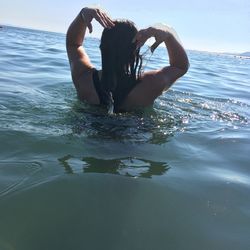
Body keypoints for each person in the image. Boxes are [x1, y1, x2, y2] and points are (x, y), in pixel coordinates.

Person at [66, 7, 189, 113]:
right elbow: (180, 67)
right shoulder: (150, 84)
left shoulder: (83, 78)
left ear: (102, 46)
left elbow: (73, 44)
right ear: (135, 51)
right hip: (131, 137)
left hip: (90, 135)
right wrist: (168, 35)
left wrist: (83, 15)